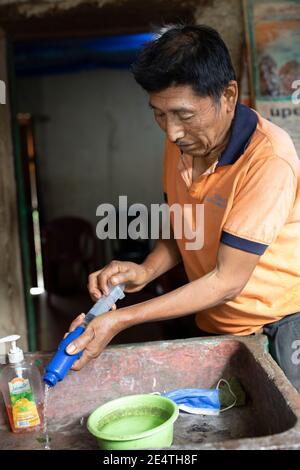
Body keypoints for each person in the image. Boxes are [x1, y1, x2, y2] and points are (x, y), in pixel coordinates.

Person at [65, 25, 300, 392]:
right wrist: (145, 270)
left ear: (228, 95)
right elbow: (184, 226)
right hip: (216, 323)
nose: (171, 132)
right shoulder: (183, 144)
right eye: (159, 114)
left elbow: (227, 280)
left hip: (279, 327)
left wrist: (120, 320)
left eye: (183, 114)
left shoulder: (268, 159)